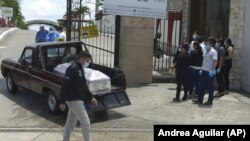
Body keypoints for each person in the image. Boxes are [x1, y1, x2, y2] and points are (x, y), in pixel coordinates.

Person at [59, 51, 98, 141]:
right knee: (86, 123)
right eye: (87, 61)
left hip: (76, 100)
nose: (87, 63)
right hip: (74, 100)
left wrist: (91, 97)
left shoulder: (80, 69)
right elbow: (65, 84)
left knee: (70, 124)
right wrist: (62, 101)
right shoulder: (72, 68)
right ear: (82, 58)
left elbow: (83, 86)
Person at [194, 37, 218, 106]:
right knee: (201, 86)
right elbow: (204, 60)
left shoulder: (213, 52)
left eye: (207, 44)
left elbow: (215, 61)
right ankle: (200, 99)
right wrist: (201, 69)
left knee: (210, 87)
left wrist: (213, 70)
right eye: (205, 43)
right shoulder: (205, 50)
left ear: (211, 44)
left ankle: (210, 101)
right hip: (203, 71)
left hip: (209, 72)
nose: (206, 45)